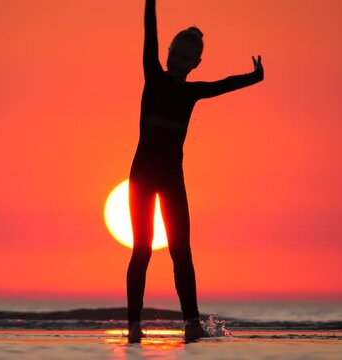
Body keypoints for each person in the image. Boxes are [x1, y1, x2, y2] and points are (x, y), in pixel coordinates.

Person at [126, 0, 264, 343]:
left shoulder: (191, 93)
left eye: (188, 58)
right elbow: (149, 34)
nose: (179, 61)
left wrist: (255, 77)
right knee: (142, 249)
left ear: (195, 63)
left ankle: (191, 323)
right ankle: (133, 326)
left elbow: (224, 84)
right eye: (176, 53)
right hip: (141, 177)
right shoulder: (153, 76)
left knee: (181, 252)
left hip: (173, 180)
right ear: (169, 52)